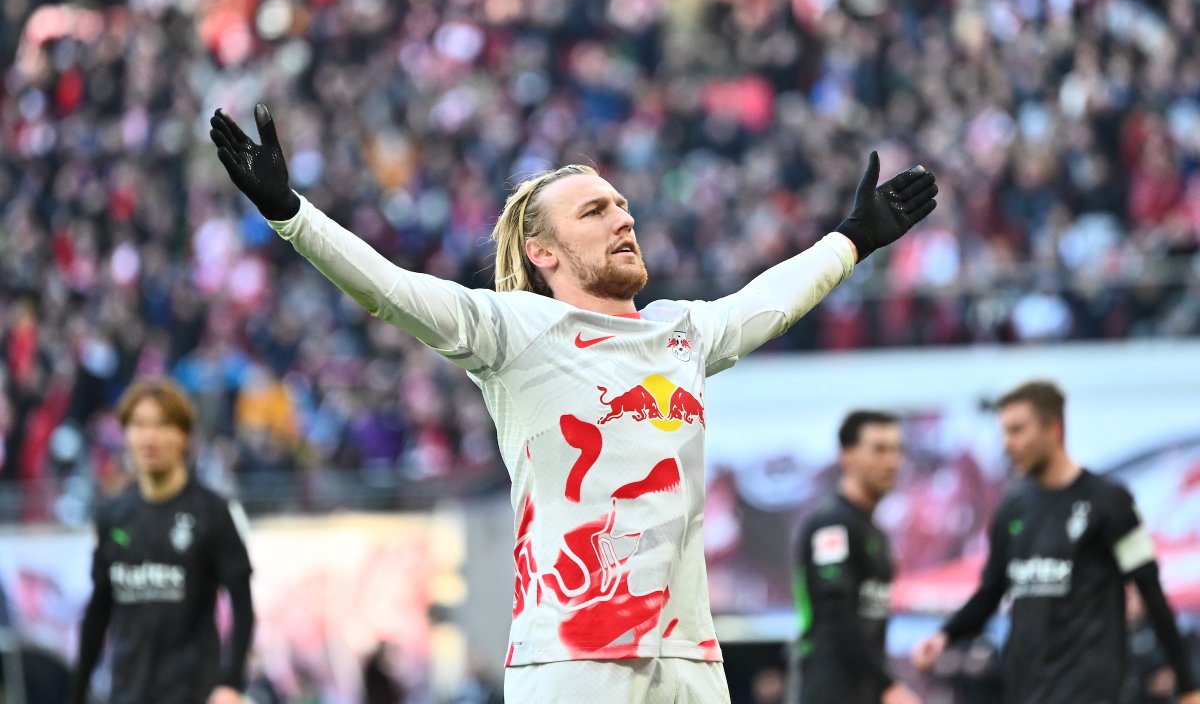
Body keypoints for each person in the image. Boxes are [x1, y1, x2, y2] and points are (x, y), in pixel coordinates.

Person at [208, 104, 937, 702]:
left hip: (690, 655)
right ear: (543, 253)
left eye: (623, 206)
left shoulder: (679, 333)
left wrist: (853, 239)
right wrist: (290, 213)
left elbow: (767, 301)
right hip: (574, 653)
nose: (623, 219)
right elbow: (391, 291)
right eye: (595, 212)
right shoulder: (512, 331)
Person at [910, 380, 1200, 704]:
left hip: (1090, 689)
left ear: (1054, 428)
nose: (1008, 444)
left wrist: (1188, 686)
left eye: (1018, 430)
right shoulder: (1013, 507)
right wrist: (947, 635)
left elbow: (1150, 589)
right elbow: (991, 591)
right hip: (1026, 686)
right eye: (1004, 432)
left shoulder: (1109, 502)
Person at [70, 378, 255, 704]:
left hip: (194, 693)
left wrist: (231, 683)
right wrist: (77, 693)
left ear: (183, 436)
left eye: (162, 424)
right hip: (128, 694)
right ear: (125, 434)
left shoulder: (212, 512)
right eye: (138, 424)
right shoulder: (113, 516)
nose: (149, 436)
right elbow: (98, 611)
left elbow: (242, 606)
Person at [791, 411, 921, 704]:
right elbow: (837, 616)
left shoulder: (875, 531)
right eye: (879, 449)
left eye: (897, 450)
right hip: (829, 691)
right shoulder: (831, 526)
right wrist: (890, 686)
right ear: (847, 456)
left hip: (865, 691)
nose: (892, 461)